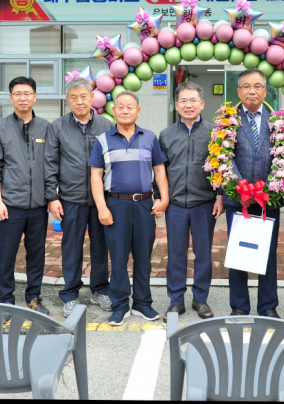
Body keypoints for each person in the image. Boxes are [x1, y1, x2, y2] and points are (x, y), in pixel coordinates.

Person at [89, 91, 169, 326]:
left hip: (144, 204)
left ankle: (143, 303)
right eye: (120, 107)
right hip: (115, 205)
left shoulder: (149, 137)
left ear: (138, 111)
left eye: (130, 107)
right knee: (119, 256)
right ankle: (120, 304)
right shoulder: (103, 140)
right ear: (114, 111)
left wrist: (163, 198)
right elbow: (96, 176)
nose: (125, 110)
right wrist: (102, 207)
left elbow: (159, 170)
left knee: (144, 256)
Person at [45, 77, 113, 317]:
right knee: (71, 247)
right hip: (70, 198)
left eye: (83, 96)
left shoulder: (106, 125)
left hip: (100, 199)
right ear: (68, 100)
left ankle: (100, 290)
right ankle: (70, 293)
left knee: (100, 246)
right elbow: (50, 163)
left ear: (92, 97)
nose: (79, 101)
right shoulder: (57, 127)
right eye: (73, 97)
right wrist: (53, 197)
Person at [0, 76, 50, 315]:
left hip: (38, 206)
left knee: (37, 253)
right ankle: (6, 298)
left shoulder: (46, 127)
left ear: (35, 96)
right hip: (10, 205)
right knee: (7, 254)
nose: (23, 98)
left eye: (27, 93)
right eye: (17, 93)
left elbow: (51, 165)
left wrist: (51, 197)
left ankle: (33, 296)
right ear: (10, 97)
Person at [160, 82, 223, 322]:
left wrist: (220, 196)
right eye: (183, 101)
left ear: (202, 104)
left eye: (193, 100)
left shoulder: (214, 132)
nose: (188, 105)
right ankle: (176, 301)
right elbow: (160, 171)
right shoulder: (166, 135)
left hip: (204, 202)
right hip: (175, 204)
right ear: (176, 105)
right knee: (176, 253)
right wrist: (161, 198)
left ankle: (200, 298)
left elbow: (222, 168)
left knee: (203, 253)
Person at [223, 69, 282, 318]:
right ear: (238, 91)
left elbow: (283, 157)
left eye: (257, 86)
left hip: (269, 196)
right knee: (239, 252)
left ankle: (268, 306)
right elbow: (224, 157)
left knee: (267, 253)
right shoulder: (227, 120)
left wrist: (269, 187)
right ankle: (239, 305)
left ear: (265, 91)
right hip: (238, 198)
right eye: (246, 86)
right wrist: (241, 187)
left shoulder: (278, 120)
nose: (252, 91)